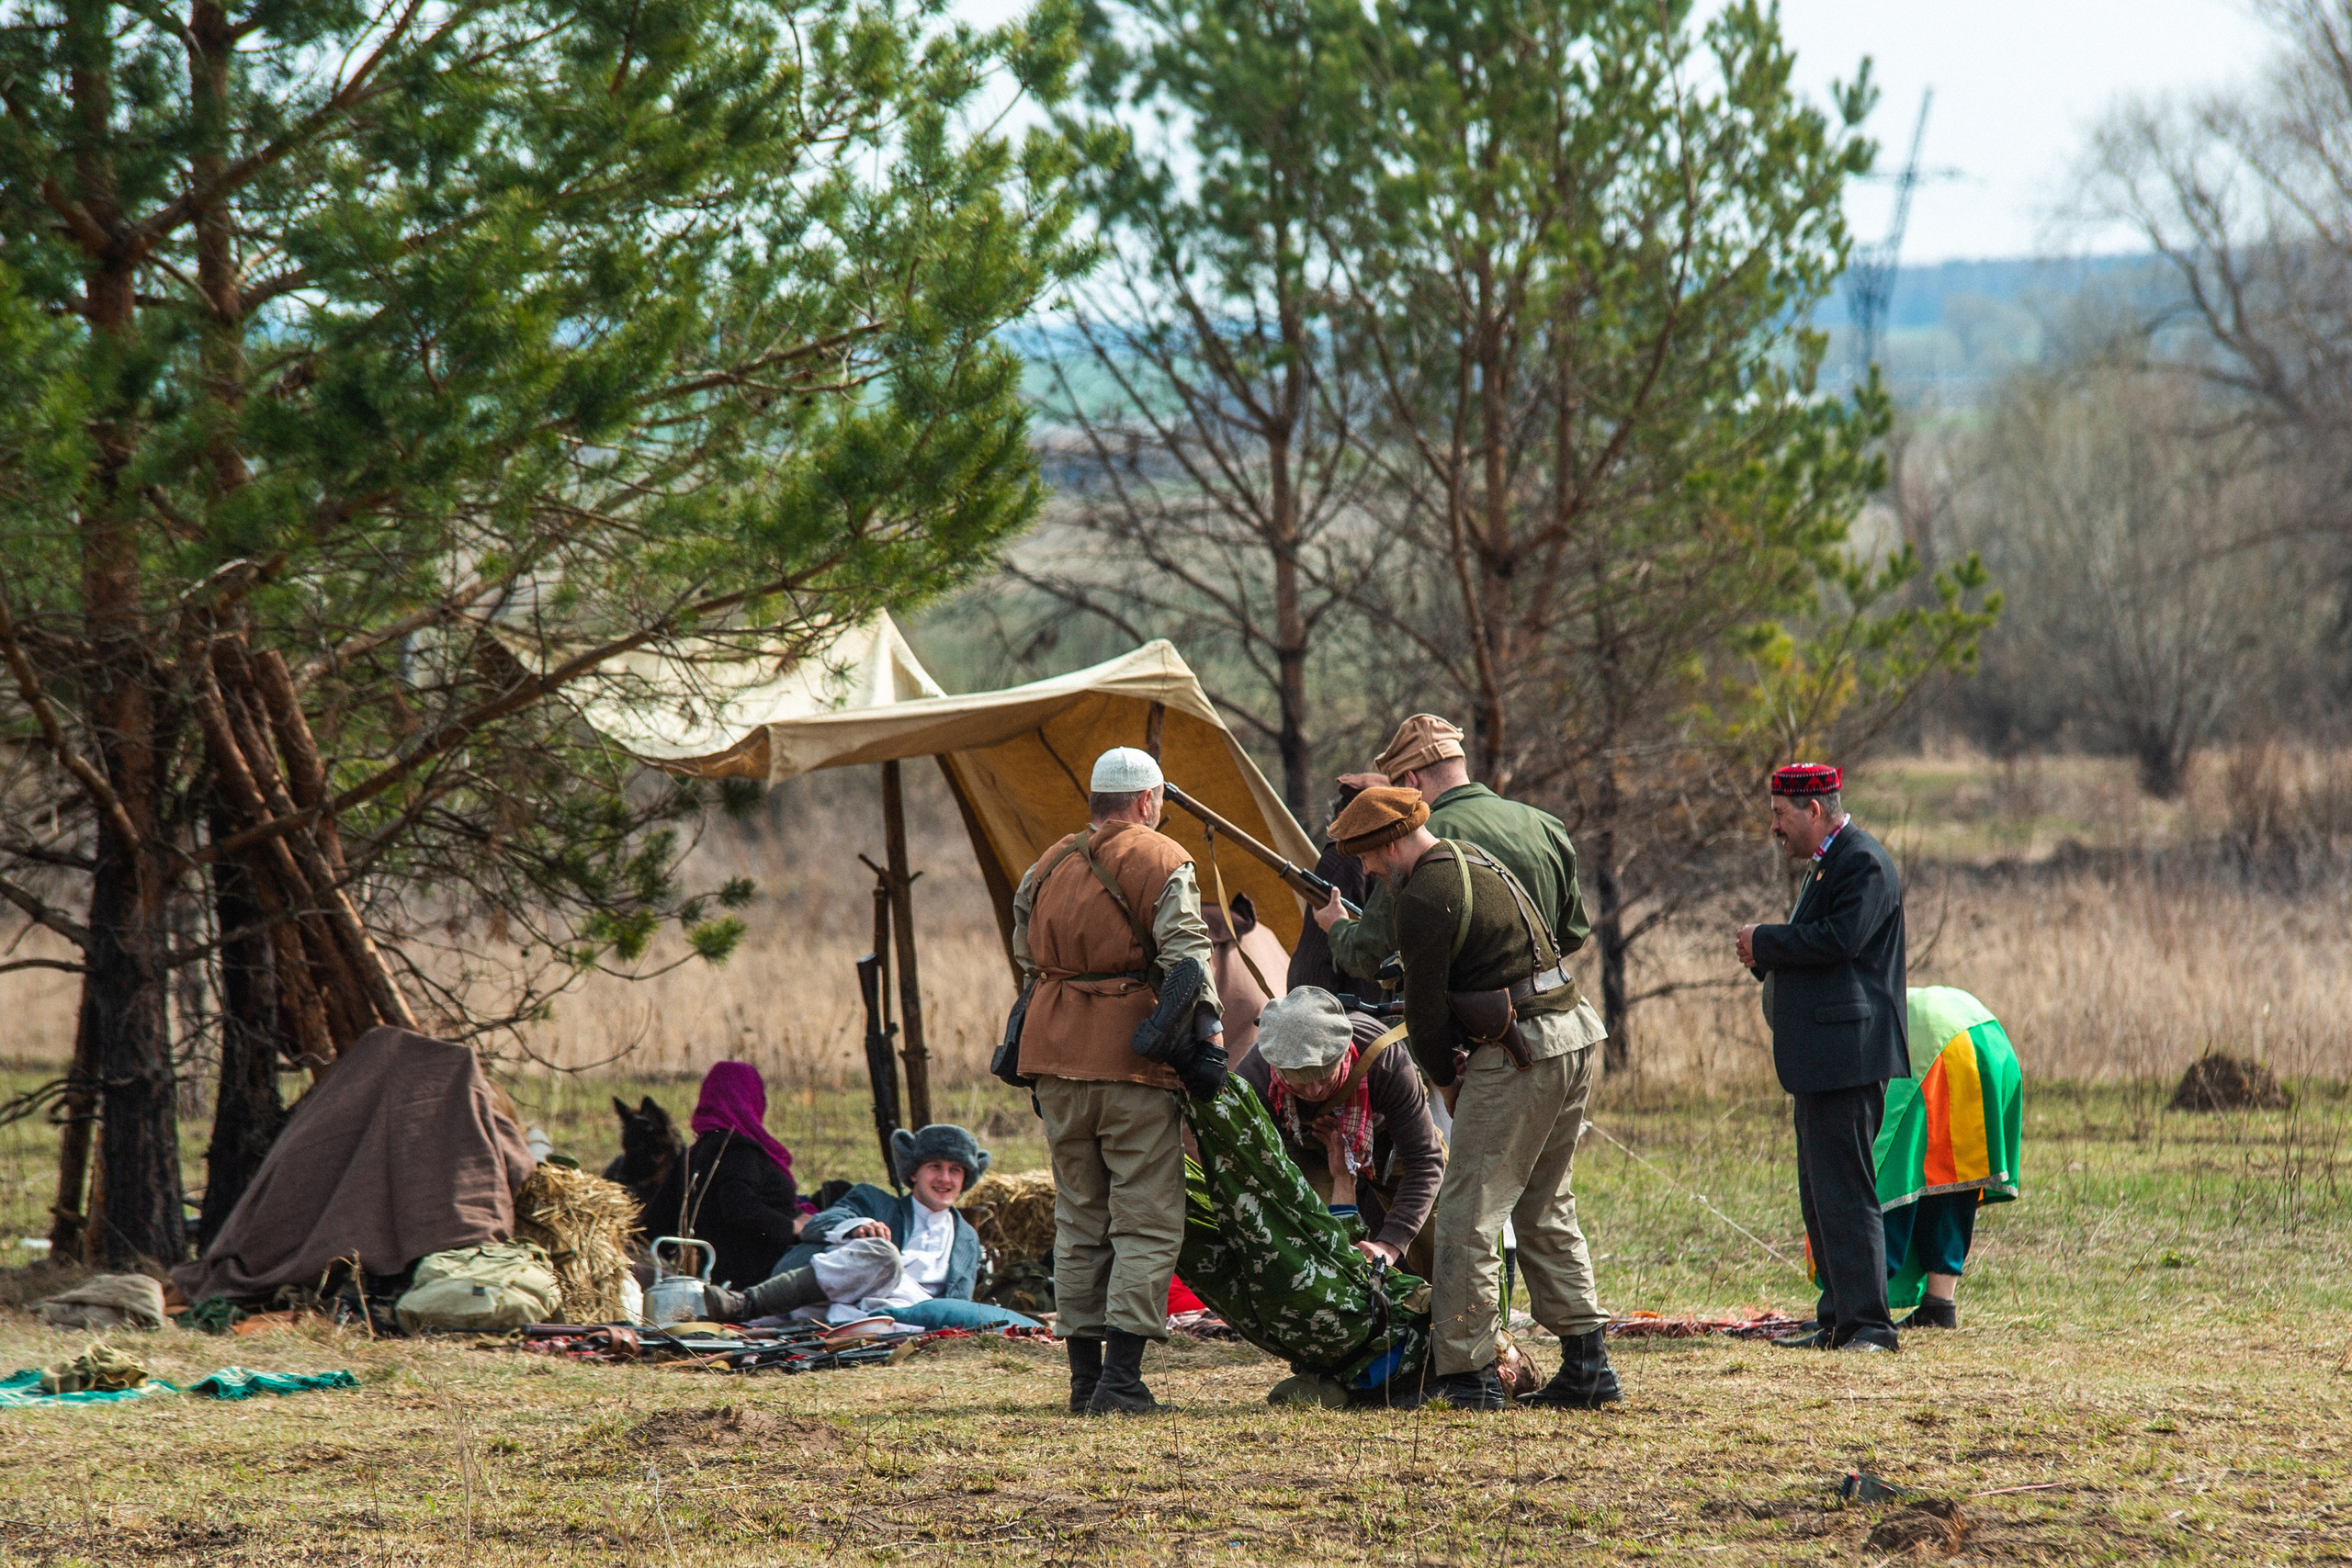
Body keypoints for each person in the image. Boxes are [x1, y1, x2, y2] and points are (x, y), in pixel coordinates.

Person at [1323, 784, 1618, 1412]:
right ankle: (1589, 1364)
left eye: (1369, 857)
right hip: (1571, 1031)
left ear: (1392, 842)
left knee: (1466, 1211)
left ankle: (1470, 1374)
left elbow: (1427, 1018)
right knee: (1544, 1202)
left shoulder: (1425, 893)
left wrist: (1451, 1083)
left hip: (1521, 1049)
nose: (1367, 870)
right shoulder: (1469, 856)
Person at [1012, 746, 1227, 1416]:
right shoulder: (1163, 858)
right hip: (1132, 1063)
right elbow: (1188, 956)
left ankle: (1083, 1381)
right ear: (1146, 801)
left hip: (1051, 1059)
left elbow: (1025, 953)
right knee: (1146, 1220)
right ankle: (1122, 1382)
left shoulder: (1045, 864)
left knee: (1078, 1220)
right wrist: (1209, 1040)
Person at [1735, 763, 1909, 1353]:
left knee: (1847, 1190)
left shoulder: (1863, 860)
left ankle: (1871, 1328)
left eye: (1781, 815)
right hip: (1823, 1059)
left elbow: (1842, 940)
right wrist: (1769, 954)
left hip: (1850, 1057)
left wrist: (1767, 941)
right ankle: (1838, 1317)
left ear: (1814, 810)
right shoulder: (1831, 863)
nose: (1774, 827)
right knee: (1821, 1191)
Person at [1320, 716, 1592, 991]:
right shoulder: (1547, 825)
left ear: (1411, 782)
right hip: (1552, 1015)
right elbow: (1573, 933)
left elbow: (1373, 952)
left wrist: (1338, 927)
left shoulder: (1417, 839)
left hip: (1462, 1027)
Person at [704, 1124, 1040, 1331]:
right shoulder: (875, 1202)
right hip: (848, 1296)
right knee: (883, 1255)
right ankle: (747, 1304)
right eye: (935, 1167)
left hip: (911, 1315)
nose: (945, 1178)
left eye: (955, 1170)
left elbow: (957, 1302)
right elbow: (818, 1224)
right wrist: (858, 1227)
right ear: (912, 1173)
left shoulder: (966, 1237)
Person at [1233, 987, 1446, 1282]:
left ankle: (1454, 1319)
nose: (1314, 1092)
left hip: (1389, 1142)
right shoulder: (1253, 1076)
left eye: (1325, 1074)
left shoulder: (1384, 1061)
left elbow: (1425, 1160)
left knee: (1442, 1243)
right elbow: (1250, 1169)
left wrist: (1389, 1245)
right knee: (1312, 1242)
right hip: (1306, 1144)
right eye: (1299, 1082)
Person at [1875, 986, 2023, 1328]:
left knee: (1892, 1175)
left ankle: (1866, 1303)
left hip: (1939, 1050)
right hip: (1990, 1046)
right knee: (1953, 1175)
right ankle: (1940, 1304)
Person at [647, 1061, 802, 1289]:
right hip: (761, 1280)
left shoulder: (692, 1156)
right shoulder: (738, 1149)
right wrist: (794, 1228)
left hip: (709, 1279)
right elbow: (741, 1207)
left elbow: (652, 1227)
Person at [1284, 773, 1383, 994]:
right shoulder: (1347, 857)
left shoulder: (1343, 857)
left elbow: (1315, 962)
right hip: (1358, 1010)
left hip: (1355, 1011)